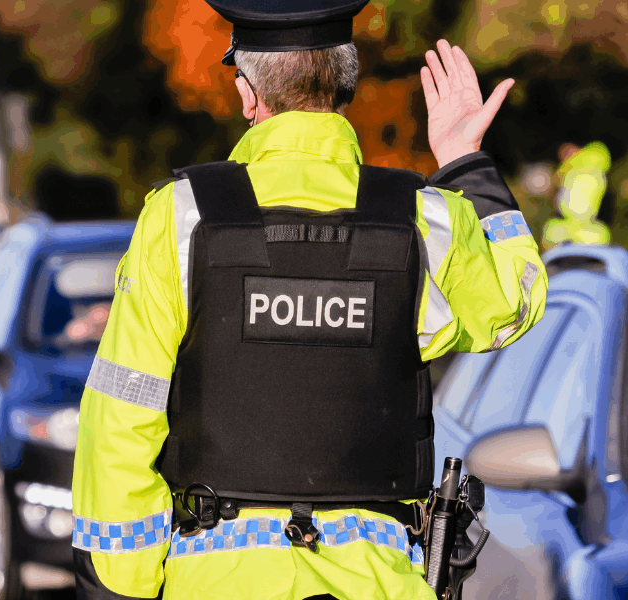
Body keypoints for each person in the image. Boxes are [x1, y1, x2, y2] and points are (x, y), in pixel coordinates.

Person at [72, 1, 548, 598]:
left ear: (248, 95)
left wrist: (120, 581)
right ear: (347, 83)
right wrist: (465, 164)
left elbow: (122, 415)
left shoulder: (181, 218)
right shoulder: (423, 221)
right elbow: (514, 304)